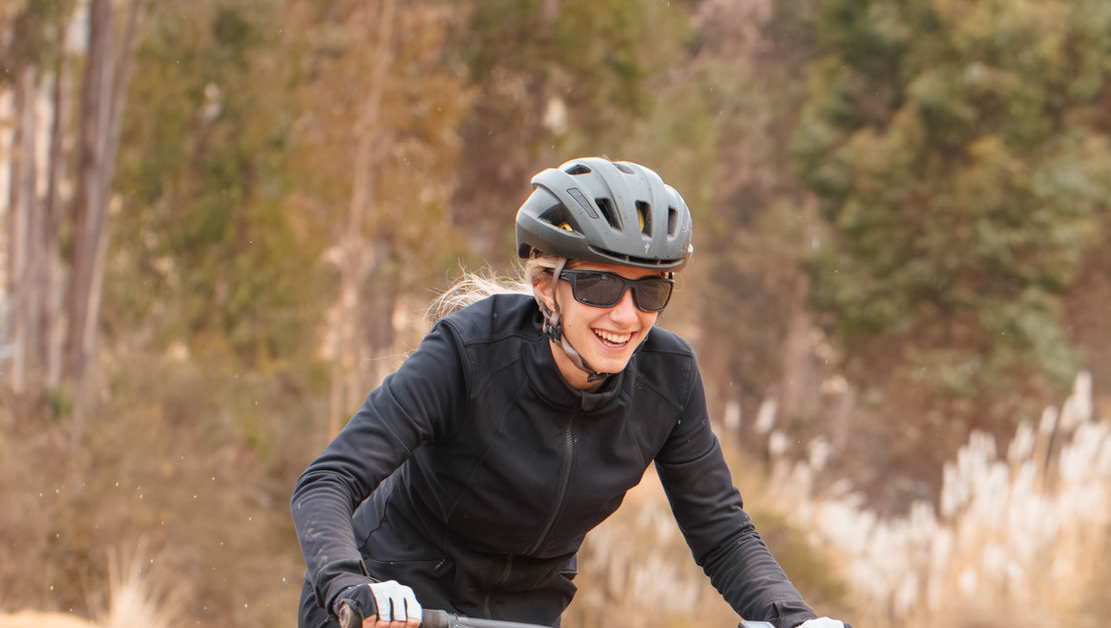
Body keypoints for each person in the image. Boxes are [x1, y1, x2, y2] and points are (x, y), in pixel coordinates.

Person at [291, 157, 852, 628]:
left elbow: (722, 535)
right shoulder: (468, 351)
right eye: (600, 285)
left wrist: (795, 620)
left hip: (524, 615)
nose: (626, 316)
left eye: (650, 291)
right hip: (394, 602)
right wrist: (348, 584)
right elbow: (327, 481)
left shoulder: (669, 377)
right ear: (546, 288)